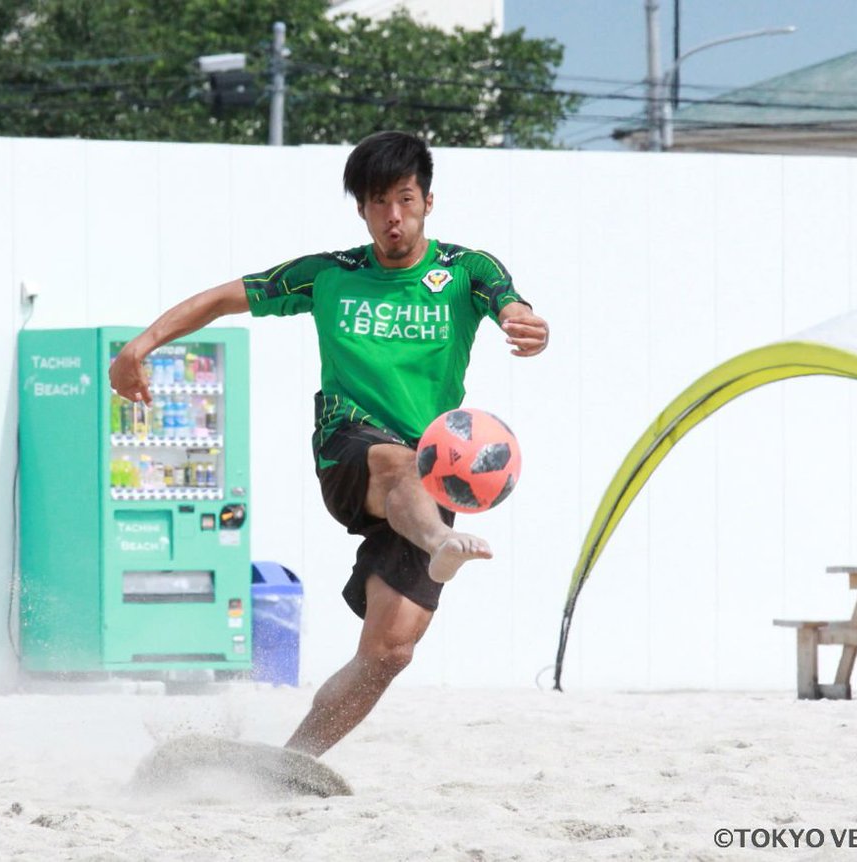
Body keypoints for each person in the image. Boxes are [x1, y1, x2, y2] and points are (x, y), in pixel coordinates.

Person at [109, 131, 548, 757]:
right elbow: (222, 298)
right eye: (377, 203)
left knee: (390, 651)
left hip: (435, 474)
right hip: (351, 447)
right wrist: (140, 346)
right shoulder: (329, 276)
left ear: (428, 200)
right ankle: (441, 541)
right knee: (399, 462)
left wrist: (524, 322)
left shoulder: (465, 271)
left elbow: (509, 302)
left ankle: (291, 761)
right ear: (361, 210)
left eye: (405, 199)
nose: (393, 217)